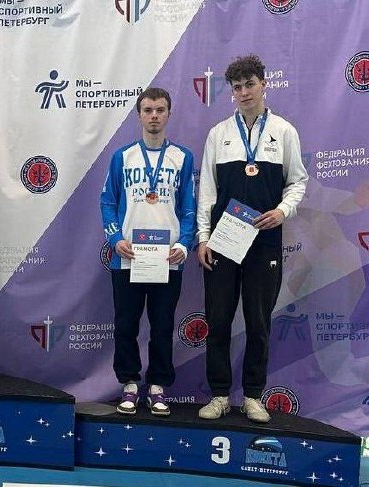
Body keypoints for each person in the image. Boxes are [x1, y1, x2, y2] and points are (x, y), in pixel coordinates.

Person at [196, 55, 308, 423]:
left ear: (264, 85)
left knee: (258, 322)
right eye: (237, 87)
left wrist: (283, 211)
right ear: (231, 92)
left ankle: (253, 396)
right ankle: (219, 395)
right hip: (224, 241)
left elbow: (298, 181)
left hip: (264, 241)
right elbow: (207, 191)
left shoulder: (284, 131)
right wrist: (203, 238)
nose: (244, 92)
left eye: (250, 85)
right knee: (218, 321)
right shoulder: (218, 134)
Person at [100, 87, 196, 416]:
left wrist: (184, 243)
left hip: (167, 259)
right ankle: (129, 383)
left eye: (160, 110)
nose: (154, 116)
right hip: (127, 257)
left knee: (162, 325)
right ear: (139, 115)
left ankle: (157, 386)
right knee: (126, 324)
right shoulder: (122, 157)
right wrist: (115, 239)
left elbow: (189, 207)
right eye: (148, 110)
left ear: (169, 113)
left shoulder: (182, 157)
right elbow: (107, 202)